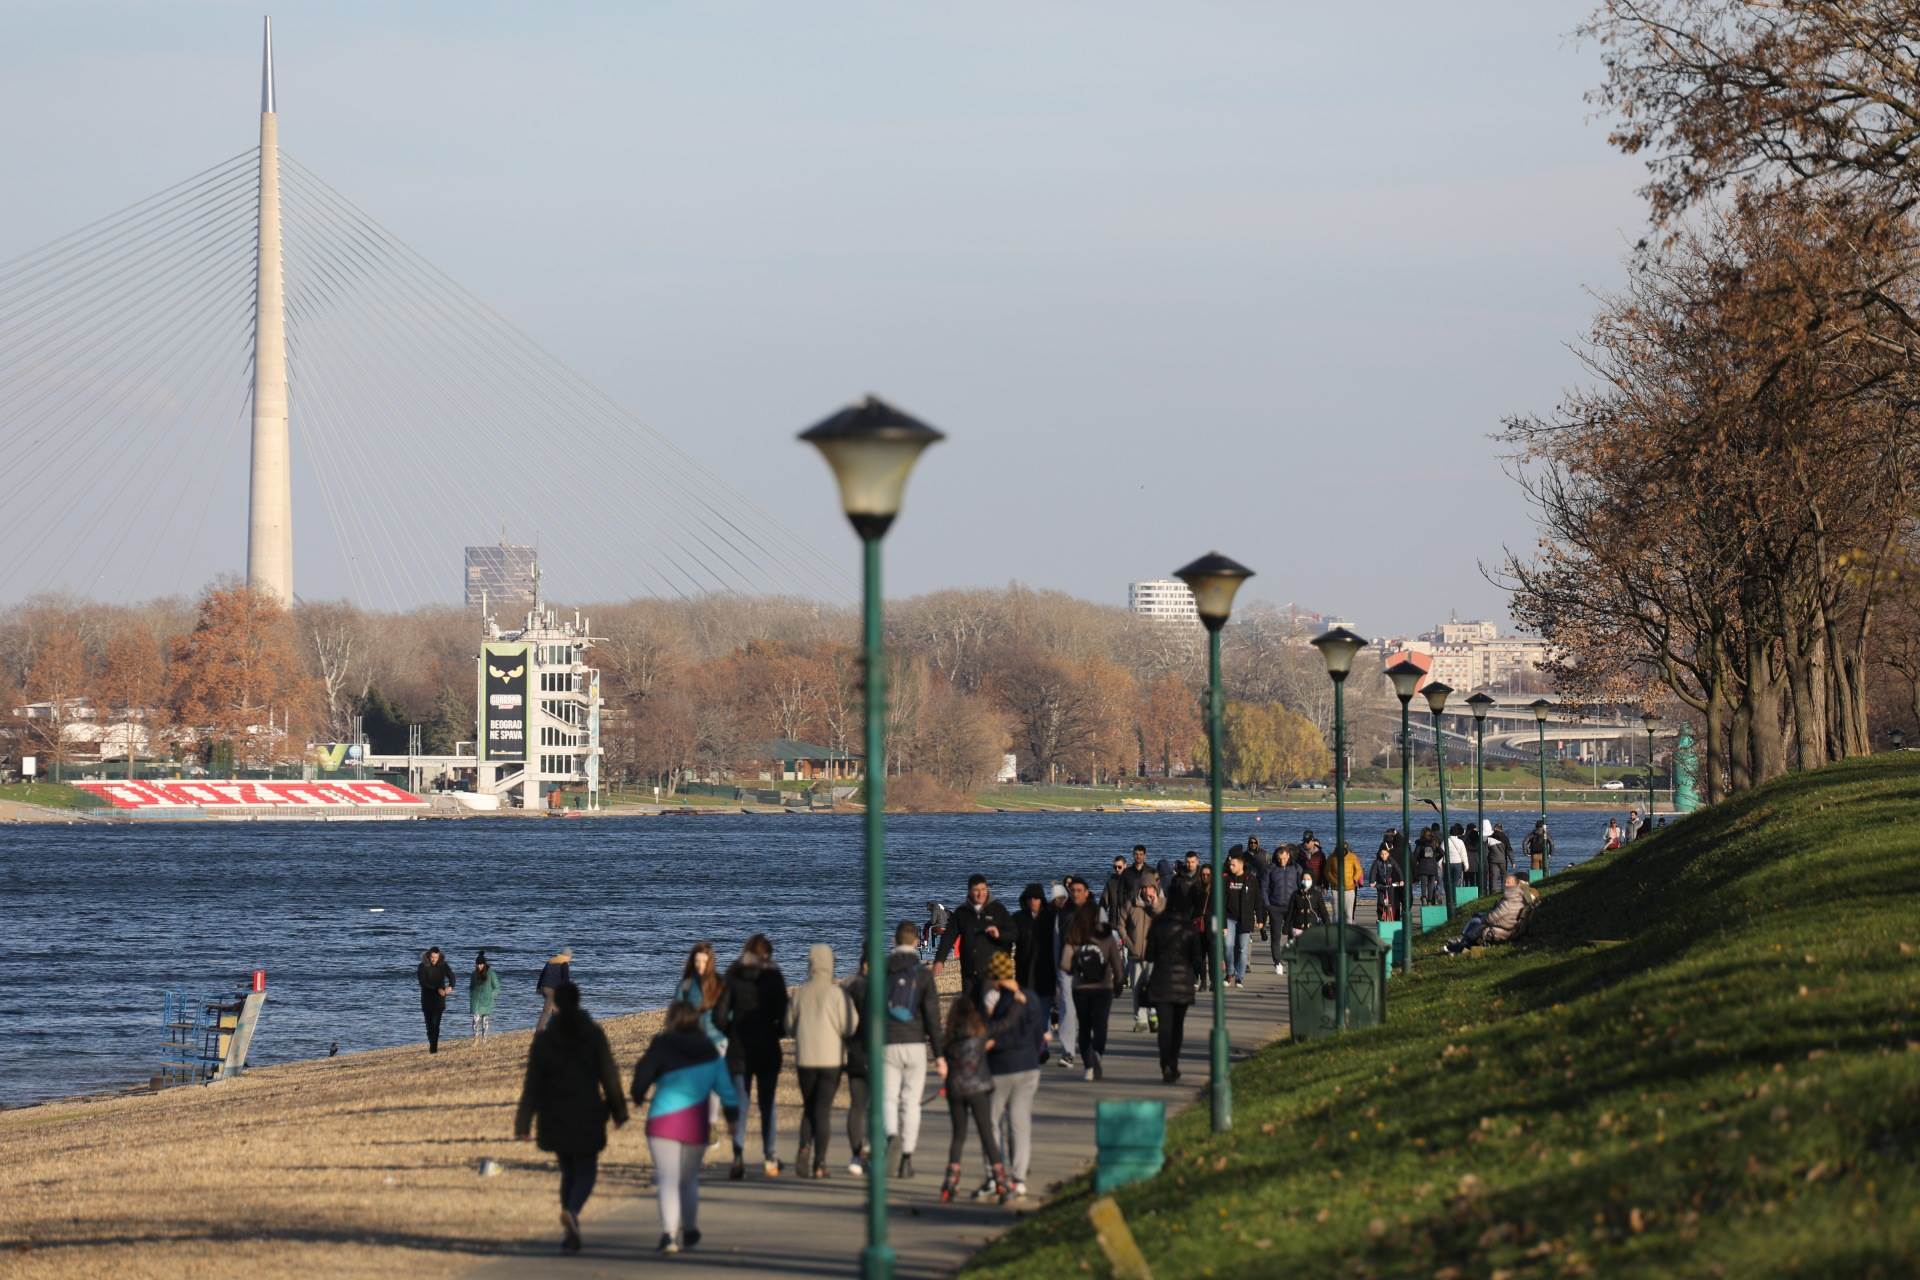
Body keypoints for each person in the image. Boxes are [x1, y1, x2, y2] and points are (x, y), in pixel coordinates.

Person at [515, 982, 629, 1255]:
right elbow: (609, 1075)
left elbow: (532, 1084)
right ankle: (573, 1212)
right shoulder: (592, 1033)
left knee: (568, 1170)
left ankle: (570, 1232)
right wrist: (618, 1111)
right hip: (587, 1110)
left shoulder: (544, 1040)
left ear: (557, 1004)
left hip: (553, 1112)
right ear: (578, 1002)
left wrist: (523, 1122)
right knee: (586, 1170)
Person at [629, 1000, 739, 1256]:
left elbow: (643, 1073)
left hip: (663, 1120)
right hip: (695, 1123)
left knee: (667, 1178)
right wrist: (732, 1118)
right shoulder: (710, 1050)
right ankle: (689, 1228)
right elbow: (725, 1088)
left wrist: (637, 1095)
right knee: (688, 1179)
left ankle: (669, 1235)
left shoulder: (662, 1044)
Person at [717, 934, 788, 1179]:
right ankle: (770, 1157)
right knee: (767, 1104)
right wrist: (776, 1031)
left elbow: (720, 1014)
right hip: (768, 1046)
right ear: (768, 954)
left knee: (741, 1104)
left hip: (738, 1049)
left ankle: (738, 1156)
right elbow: (784, 1015)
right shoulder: (774, 976)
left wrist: (728, 1031)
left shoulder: (733, 974)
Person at [882, 920, 946, 1178]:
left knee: (887, 1098)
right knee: (911, 1102)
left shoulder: (882, 970)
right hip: (915, 1043)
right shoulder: (922, 974)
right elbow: (932, 1016)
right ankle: (907, 1156)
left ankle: (891, 1137)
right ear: (916, 942)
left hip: (888, 1042)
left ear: (894, 942)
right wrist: (940, 1055)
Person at [981, 948, 1046, 1200]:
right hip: (1028, 1066)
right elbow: (1039, 1035)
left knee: (992, 1122)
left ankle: (994, 1173)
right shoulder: (1030, 998)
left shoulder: (992, 1001)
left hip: (1000, 1067)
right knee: (1020, 1123)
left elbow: (987, 1032)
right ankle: (1018, 1178)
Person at [787, 943, 854, 1179]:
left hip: (806, 1058)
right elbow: (850, 1025)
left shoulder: (800, 992)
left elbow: (788, 1026)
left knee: (808, 1107)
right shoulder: (837, 994)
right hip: (831, 1059)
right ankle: (820, 1163)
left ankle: (804, 1147)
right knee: (822, 1110)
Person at [937, 995, 1010, 1204]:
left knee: (958, 1135)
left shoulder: (948, 1038)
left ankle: (950, 1180)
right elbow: (1003, 1026)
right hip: (978, 1087)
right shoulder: (981, 1034)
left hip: (956, 1088)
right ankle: (1000, 1179)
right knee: (986, 1133)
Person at [1063, 902, 1122, 1081]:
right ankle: (1097, 1054)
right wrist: (1119, 982)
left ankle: (1088, 1065)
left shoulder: (1075, 934)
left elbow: (1065, 964)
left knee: (1084, 1027)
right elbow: (1117, 963)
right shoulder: (1107, 936)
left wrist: (1075, 970)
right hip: (1103, 988)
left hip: (1080, 988)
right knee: (1100, 1025)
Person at [1144, 899, 1200, 1083]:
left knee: (1165, 1027)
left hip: (1161, 981)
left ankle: (1165, 1062)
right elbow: (1196, 958)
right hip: (1183, 982)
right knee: (1177, 1026)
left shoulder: (1157, 926)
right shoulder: (1189, 928)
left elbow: (1149, 955)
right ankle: (1173, 1061)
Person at [935, 874, 1013, 996]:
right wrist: (940, 959)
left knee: (990, 1010)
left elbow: (1013, 933)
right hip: (969, 972)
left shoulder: (998, 909)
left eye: (983, 889)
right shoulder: (961, 912)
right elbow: (948, 937)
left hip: (992, 972)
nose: (980, 894)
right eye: (976, 890)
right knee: (970, 1010)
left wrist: (999, 934)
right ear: (969, 891)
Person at [1442, 874, 1541, 954]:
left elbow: (1494, 917)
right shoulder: (1521, 896)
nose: (1506, 885)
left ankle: (1462, 944)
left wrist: (1484, 917)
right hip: (1510, 926)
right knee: (1478, 918)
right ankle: (1463, 942)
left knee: (1477, 920)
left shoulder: (1515, 898)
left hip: (1502, 930)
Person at [841, 950, 872, 1176]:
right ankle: (871, 1150)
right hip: (878, 1053)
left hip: (855, 1052)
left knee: (857, 1105)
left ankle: (855, 1153)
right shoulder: (885, 988)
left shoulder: (849, 988)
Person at [1118, 880, 1164, 1030]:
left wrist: (1154, 903)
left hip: (1155, 953)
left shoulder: (1162, 903)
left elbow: (1165, 921)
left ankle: (1154, 1016)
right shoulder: (1131, 903)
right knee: (1137, 987)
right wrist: (1127, 941)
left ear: (1155, 889)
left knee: (1155, 987)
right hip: (1135, 952)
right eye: (1144, 888)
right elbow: (1121, 924)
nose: (1147, 891)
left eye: (1150, 888)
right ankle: (1140, 1020)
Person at [1219, 850, 1264, 988]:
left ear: (1241, 865)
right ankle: (1230, 972)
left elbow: (1258, 900)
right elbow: (1221, 901)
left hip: (1245, 919)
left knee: (1243, 949)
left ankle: (1239, 977)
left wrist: (1260, 918)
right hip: (1229, 919)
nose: (1230, 867)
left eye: (1233, 865)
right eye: (1229, 864)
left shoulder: (1251, 879)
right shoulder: (1226, 879)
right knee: (1228, 946)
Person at [676, 942, 726, 1052]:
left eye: (704, 961)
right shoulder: (685, 985)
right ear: (692, 962)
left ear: (710, 962)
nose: (700, 965)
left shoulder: (720, 984)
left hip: (718, 1042)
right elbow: (676, 1016)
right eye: (697, 961)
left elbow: (729, 1014)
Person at [1263, 846, 1303, 974]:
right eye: (1280, 859)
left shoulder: (1296, 868)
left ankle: (1292, 959)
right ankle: (1277, 962)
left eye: (1284, 859)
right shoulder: (1270, 869)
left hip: (1292, 907)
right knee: (1276, 936)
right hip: (1275, 907)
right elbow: (1264, 887)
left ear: (1288, 856)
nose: (1282, 861)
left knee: (1293, 935)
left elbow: (1301, 887)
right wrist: (1267, 905)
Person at [416, 946, 454, 1053]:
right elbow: (423, 983)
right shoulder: (422, 966)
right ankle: (432, 1044)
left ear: (439, 956)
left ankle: (433, 1049)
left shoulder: (443, 965)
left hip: (439, 1001)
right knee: (429, 1026)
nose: (434, 959)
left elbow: (452, 976)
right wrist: (437, 989)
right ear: (429, 956)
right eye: (432, 957)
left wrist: (451, 986)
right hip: (426, 1000)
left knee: (436, 1024)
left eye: (436, 957)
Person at [535, 947, 572, 1033]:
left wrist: (538, 988)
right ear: (568, 955)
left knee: (556, 1009)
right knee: (547, 1011)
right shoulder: (564, 963)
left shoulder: (550, 961)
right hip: (552, 990)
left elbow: (542, 975)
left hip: (544, 987)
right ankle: (539, 1031)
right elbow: (565, 979)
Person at [1282, 873, 1330, 940]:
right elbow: (1290, 912)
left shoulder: (1317, 894)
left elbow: (1323, 912)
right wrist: (1286, 928)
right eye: (1304, 879)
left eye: (1308, 879)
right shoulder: (1295, 894)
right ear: (1301, 880)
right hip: (1297, 928)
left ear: (1312, 880)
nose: (1306, 881)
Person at [1326, 842, 1363, 923]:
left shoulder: (1353, 857)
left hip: (1350, 889)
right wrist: (1334, 881)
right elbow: (1327, 871)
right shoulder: (1331, 857)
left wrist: (1354, 880)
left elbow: (1359, 869)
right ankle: (1335, 931)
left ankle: (1348, 931)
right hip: (1336, 889)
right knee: (1336, 914)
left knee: (1348, 914)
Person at [1369, 841, 1402, 923]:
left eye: (1385, 854)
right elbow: (1373, 872)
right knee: (1380, 901)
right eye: (1382, 854)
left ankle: (1393, 917)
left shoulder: (1391, 861)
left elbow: (1398, 869)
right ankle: (1380, 917)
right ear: (1380, 854)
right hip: (1380, 884)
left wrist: (1401, 880)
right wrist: (1372, 882)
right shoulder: (1377, 862)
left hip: (1389, 884)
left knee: (1392, 902)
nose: (1383, 856)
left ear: (1388, 854)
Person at [469, 950, 499, 1041]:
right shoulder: (474, 974)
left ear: (484, 964)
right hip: (476, 1001)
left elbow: (497, 987)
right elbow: (471, 986)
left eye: (481, 964)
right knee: (475, 1020)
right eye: (477, 964)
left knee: (485, 1021)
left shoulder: (491, 973)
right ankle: (476, 1038)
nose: (479, 966)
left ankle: (484, 1040)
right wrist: (471, 995)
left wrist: (491, 995)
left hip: (487, 1001)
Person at [1415, 828, 1443, 908]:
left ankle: (1424, 897)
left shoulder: (1420, 844)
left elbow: (1415, 855)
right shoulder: (1434, 843)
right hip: (1433, 867)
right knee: (1431, 885)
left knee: (1424, 884)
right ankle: (1430, 901)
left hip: (1423, 866)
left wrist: (1418, 861)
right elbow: (1442, 853)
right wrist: (1435, 859)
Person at [1100, 855, 1131, 923]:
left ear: (1125, 866)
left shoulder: (1132, 881)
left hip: (1128, 922)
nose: (1117, 869)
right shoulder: (1110, 882)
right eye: (1115, 867)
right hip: (1114, 922)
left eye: (1119, 867)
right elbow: (1103, 903)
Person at [1445, 824, 1470, 898]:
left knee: (1448, 881)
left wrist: (1439, 865)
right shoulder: (1460, 842)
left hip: (1447, 864)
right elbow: (1464, 855)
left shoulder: (1445, 841)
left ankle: (1449, 896)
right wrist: (1466, 866)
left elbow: (1441, 853)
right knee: (1456, 882)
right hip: (1458, 864)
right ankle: (1454, 897)